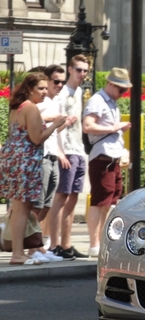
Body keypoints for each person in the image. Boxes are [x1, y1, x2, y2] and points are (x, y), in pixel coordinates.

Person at [0, 73, 68, 265]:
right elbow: (37, 138)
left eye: (46, 88)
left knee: (19, 208)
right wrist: (55, 124)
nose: (45, 91)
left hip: (13, 161)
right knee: (22, 209)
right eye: (41, 88)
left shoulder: (18, 107)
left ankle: (18, 252)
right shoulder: (31, 108)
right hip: (25, 162)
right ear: (30, 89)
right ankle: (18, 254)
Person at [82, 67, 133, 258]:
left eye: (124, 90)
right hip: (102, 157)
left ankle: (102, 241)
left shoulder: (110, 102)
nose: (123, 94)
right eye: (121, 89)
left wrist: (117, 131)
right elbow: (88, 126)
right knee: (100, 201)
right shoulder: (98, 100)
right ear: (110, 84)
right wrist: (114, 127)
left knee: (109, 201)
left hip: (111, 157)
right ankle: (95, 244)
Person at [47, 54, 90, 260]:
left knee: (73, 197)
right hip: (66, 150)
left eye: (85, 70)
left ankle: (66, 243)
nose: (82, 74)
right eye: (79, 69)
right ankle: (54, 243)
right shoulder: (62, 93)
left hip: (79, 149)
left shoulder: (79, 91)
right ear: (70, 69)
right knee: (61, 197)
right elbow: (56, 126)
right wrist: (60, 151)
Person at [35, 65, 78, 251]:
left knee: (46, 205)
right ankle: (32, 248)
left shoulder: (54, 102)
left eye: (62, 81)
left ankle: (37, 246)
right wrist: (55, 119)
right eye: (56, 81)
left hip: (52, 154)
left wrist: (64, 124)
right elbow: (36, 119)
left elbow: (53, 131)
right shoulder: (42, 103)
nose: (59, 85)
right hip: (43, 156)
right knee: (38, 205)